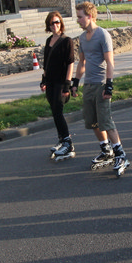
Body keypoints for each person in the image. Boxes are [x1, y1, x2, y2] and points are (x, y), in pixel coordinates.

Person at [70, 2, 129, 176]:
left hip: (101, 83)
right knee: (93, 121)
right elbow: (82, 62)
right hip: (88, 84)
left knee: (106, 121)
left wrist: (109, 85)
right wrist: (75, 82)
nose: (78, 20)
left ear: (90, 16)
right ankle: (106, 150)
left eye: (80, 17)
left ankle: (121, 154)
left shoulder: (103, 35)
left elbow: (110, 62)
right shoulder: (82, 38)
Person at [40, 11, 76, 161]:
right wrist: (43, 80)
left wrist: (67, 85)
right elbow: (46, 63)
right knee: (54, 112)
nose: (55, 25)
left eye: (57, 22)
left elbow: (70, 64)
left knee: (58, 111)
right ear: (48, 25)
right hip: (50, 81)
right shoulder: (49, 40)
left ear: (61, 23)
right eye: (52, 23)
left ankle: (68, 143)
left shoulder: (67, 41)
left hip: (61, 82)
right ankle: (62, 139)